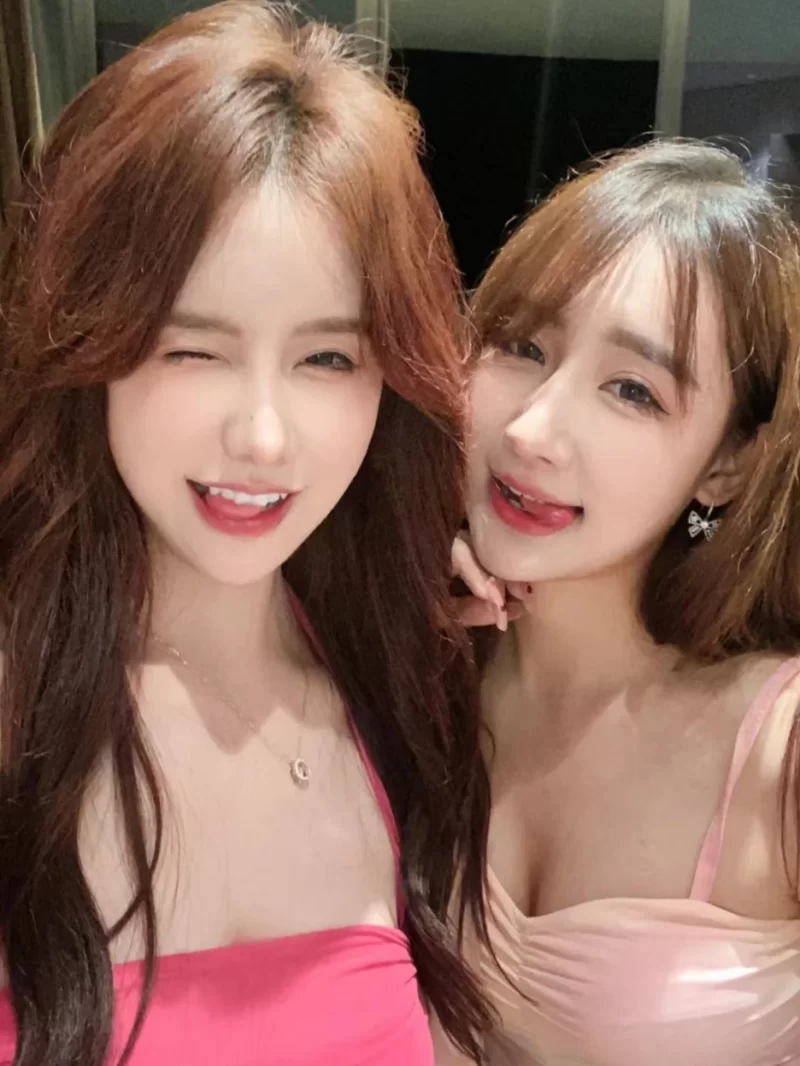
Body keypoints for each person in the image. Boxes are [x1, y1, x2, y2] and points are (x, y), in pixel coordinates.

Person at [0, 4, 491, 1064]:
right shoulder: (20, 714)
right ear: (89, 341)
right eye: (193, 349)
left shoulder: (404, 695)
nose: (263, 437)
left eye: (326, 359)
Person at [444, 139, 800, 1065]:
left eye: (633, 391)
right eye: (523, 347)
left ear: (729, 465)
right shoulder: (412, 677)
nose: (533, 431)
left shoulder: (779, 747)